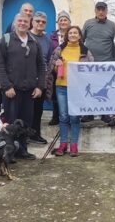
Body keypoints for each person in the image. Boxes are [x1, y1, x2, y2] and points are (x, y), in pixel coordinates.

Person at [0, 12, 45, 160]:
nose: (22, 23)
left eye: (25, 21)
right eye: (20, 21)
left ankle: (22, 150)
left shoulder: (34, 42)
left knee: (25, 124)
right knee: (10, 124)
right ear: (15, 22)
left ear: (30, 23)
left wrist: (40, 86)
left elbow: (41, 65)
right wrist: (6, 86)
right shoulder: (6, 39)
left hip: (29, 91)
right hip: (11, 91)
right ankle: (8, 153)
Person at [46, 26, 94, 157]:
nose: (73, 35)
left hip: (77, 89)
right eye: (71, 33)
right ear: (67, 35)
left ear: (79, 36)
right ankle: (62, 144)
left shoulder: (85, 50)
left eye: (75, 33)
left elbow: (92, 68)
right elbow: (51, 68)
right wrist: (57, 65)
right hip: (61, 86)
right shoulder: (60, 49)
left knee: (74, 116)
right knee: (63, 116)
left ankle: (73, 145)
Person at [82, 1, 115, 125]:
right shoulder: (88, 23)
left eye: (103, 9)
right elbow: (82, 40)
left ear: (107, 11)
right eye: (99, 9)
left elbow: (114, 44)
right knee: (90, 88)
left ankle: (105, 114)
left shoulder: (112, 26)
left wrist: (113, 61)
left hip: (106, 63)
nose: (101, 12)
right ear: (95, 11)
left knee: (104, 89)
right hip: (90, 64)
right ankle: (89, 114)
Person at [29, 11, 52, 144]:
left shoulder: (47, 40)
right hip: (27, 77)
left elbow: (48, 60)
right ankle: (24, 135)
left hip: (41, 78)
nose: (40, 24)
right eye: (38, 21)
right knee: (26, 109)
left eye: (43, 22)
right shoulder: (26, 36)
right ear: (32, 22)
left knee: (38, 109)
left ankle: (35, 133)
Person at [48, 10, 72, 125]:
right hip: (56, 68)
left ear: (69, 22)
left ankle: (69, 116)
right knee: (55, 92)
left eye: (65, 20)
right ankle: (55, 115)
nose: (63, 22)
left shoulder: (73, 33)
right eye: (61, 20)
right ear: (58, 22)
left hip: (70, 69)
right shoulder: (52, 36)